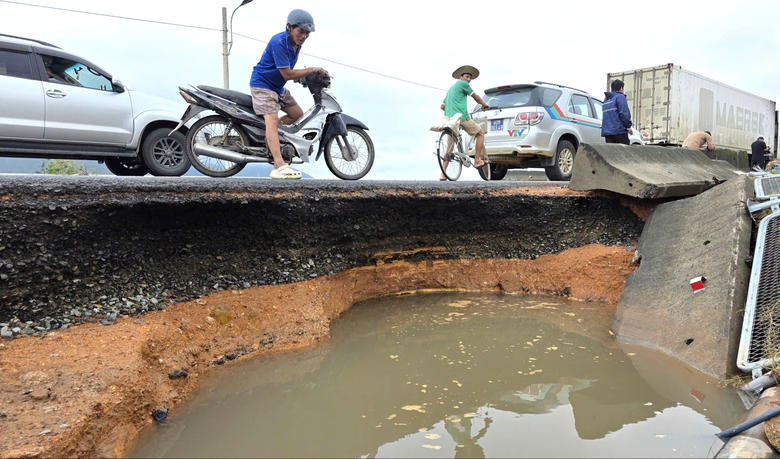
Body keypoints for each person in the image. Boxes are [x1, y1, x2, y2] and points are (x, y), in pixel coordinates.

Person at [250, 9, 325, 180]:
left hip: (277, 87)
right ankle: (278, 164)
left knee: (297, 114)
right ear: (290, 27)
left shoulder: (296, 45)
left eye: (307, 33)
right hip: (263, 85)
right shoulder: (279, 42)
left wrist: (306, 77)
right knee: (272, 119)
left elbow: (288, 72)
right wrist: (312, 69)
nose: (304, 36)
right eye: (301, 31)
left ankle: (269, 135)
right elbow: (287, 74)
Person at [439, 65, 490, 180]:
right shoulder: (463, 84)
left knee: (449, 148)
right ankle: (477, 161)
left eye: (470, 78)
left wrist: (451, 110)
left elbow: (442, 106)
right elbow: (475, 97)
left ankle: (443, 174)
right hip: (461, 117)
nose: (469, 79)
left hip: (450, 120)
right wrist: (483, 104)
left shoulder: (450, 89)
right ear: (460, 77)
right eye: (467, 77)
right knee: (480, 133)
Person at [601, 79, 633, 145]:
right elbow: (623, 113)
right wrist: (628, 126)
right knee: (624, 153)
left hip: (608, 132)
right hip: (619, 131)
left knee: (611, 153)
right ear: (621, 88)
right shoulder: (620, 97)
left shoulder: (606, 100)